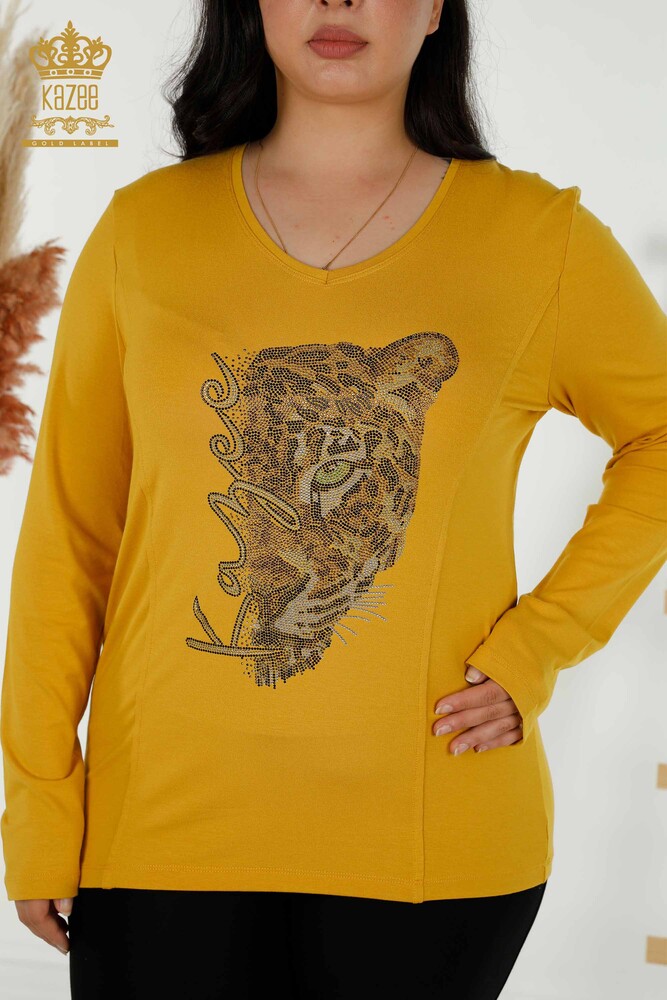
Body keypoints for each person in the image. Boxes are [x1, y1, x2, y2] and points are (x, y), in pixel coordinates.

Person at [2, 1, 666, 997]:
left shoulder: (536, 239)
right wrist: (42, 803)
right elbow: (69, 540)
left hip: (429, 840)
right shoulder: (146, 229)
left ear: (434, 8)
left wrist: (536, 647)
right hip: (158, 830)